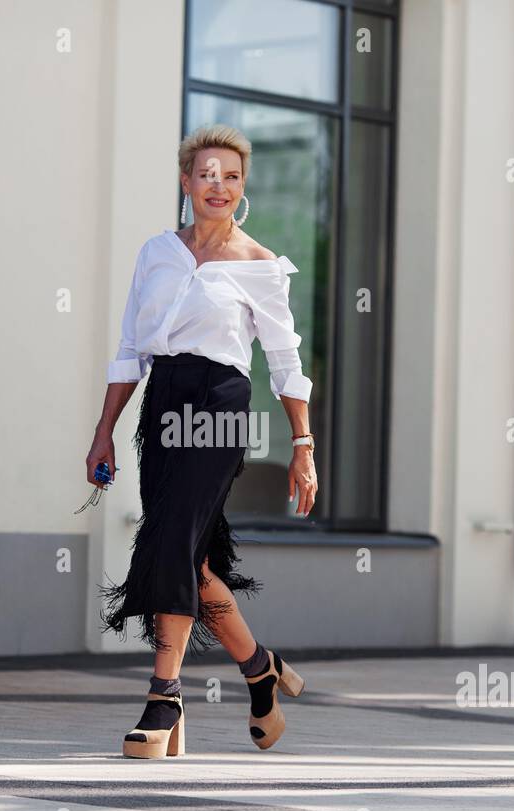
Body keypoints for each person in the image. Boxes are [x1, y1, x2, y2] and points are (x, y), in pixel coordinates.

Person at [86, 124, 316, 758]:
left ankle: (164, 697)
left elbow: (286, 361)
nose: (220, 186)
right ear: (186, 182)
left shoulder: (260, 265)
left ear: (242, 190)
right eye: (207, 174)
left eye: (232, 177)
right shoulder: (156, 252)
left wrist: (303, 445)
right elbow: (131, 349)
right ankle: (259, 667)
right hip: (162, 398)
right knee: (189, 554)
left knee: (169, 541)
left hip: (219, 405)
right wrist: (104, 430)